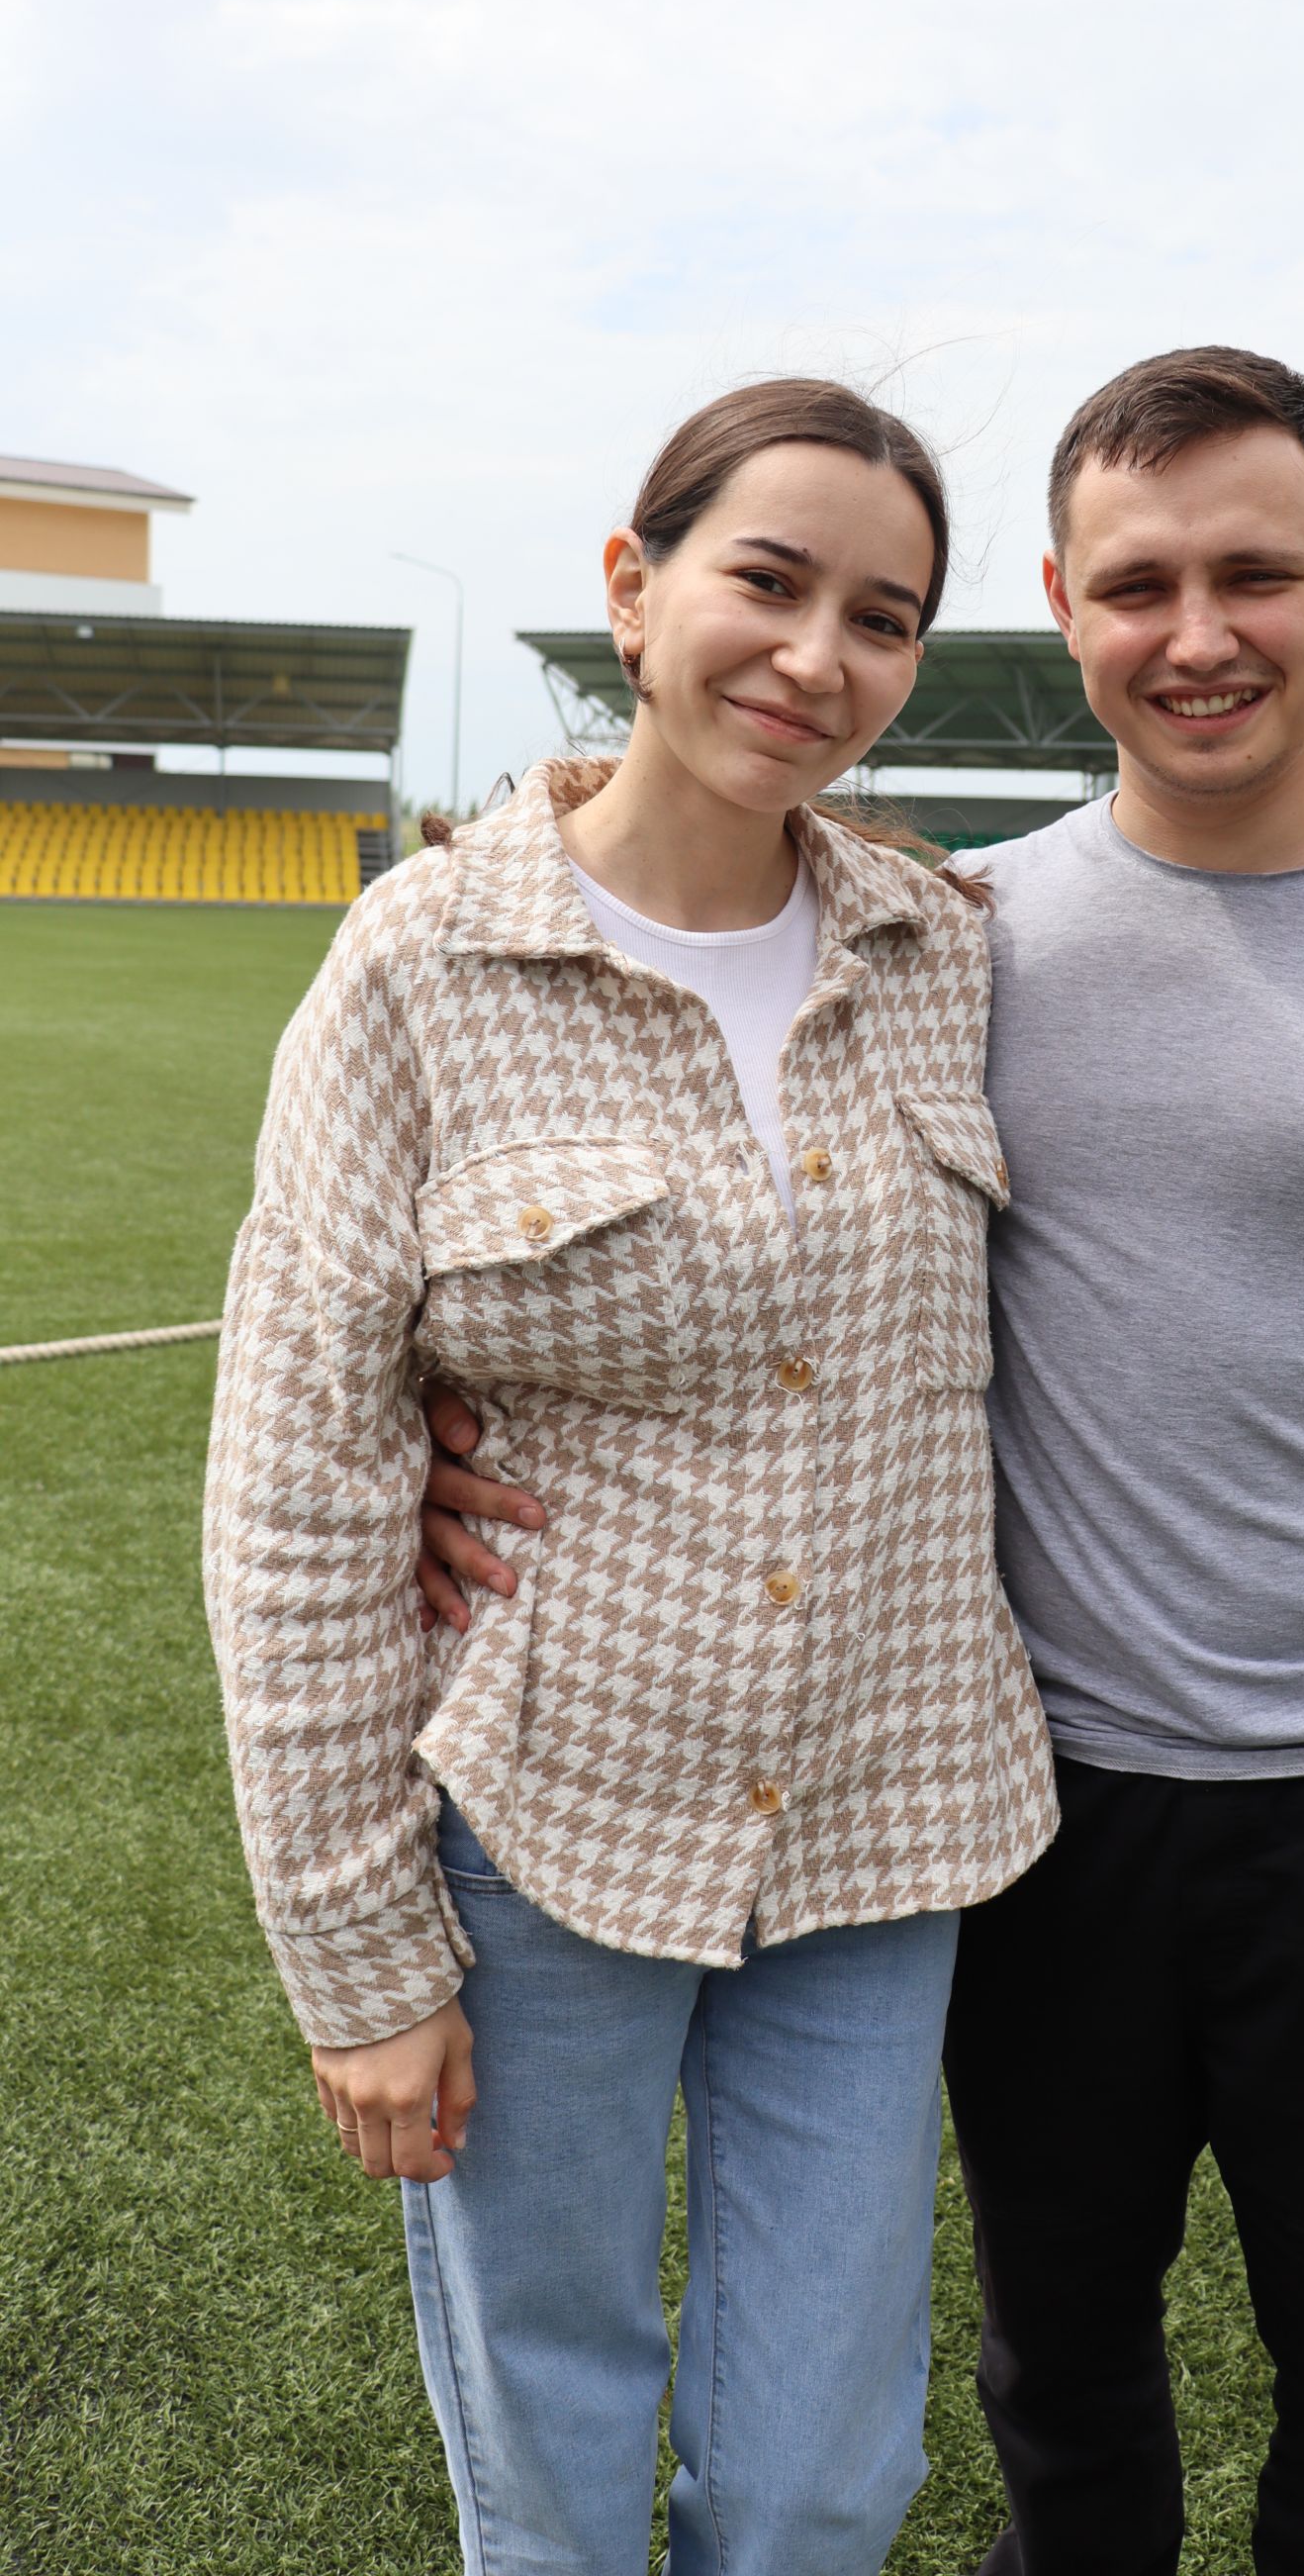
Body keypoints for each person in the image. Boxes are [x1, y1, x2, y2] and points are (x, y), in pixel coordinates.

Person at [416, 345, 1304, 2576]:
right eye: (1141, 584)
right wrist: (459, 1417)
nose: (1202, 637)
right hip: (1026, 1812)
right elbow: (737, 1226)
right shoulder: (939, 938)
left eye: (1258, 575)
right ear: (1068, 611)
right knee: (1057, 2387)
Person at [203, 377, 1059, 2576]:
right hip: (538, 1825)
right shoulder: (414, 969)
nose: (815, 656)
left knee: (816, 2480)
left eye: (882, 617)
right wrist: (358, 1955)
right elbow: (298, 1491)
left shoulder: (943, 943)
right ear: (633, 586)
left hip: (884, 1819)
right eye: (765, 581)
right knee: (556, 2449)